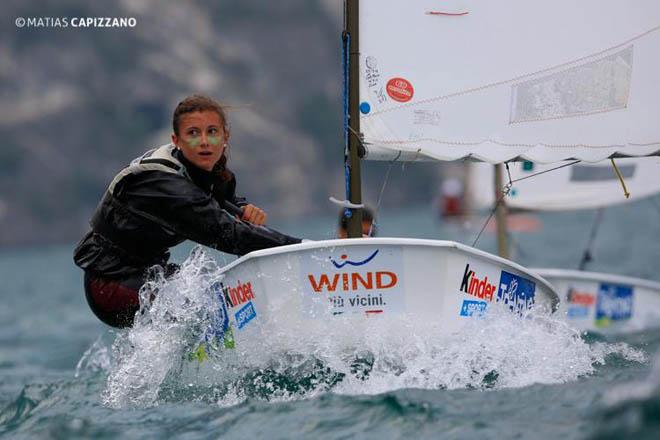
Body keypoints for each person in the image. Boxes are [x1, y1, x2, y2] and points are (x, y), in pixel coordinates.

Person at [74, 94, 301, 328]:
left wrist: (242, 208)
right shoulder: (165, 184)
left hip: (150, 272)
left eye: (212, 132)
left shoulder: (205, 169)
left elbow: (223, 198)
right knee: (209, 303)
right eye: (193, 133)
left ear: (225, 137)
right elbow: (228, 234)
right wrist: (303, 247)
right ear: (177, 140)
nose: (204, 141)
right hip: (111, 286)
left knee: (215, 290)